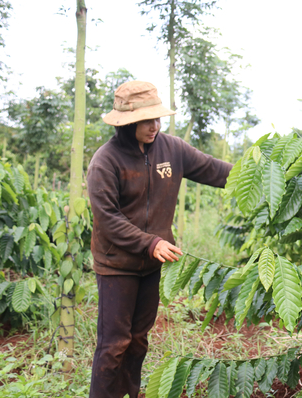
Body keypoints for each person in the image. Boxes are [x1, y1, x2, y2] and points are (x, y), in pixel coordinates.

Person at [86, 81, 232, 398]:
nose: (155, 126)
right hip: (117, 265)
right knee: (114, 344)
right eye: (146, 120)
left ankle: (130, 393)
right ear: (127, 123)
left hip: (152, 263)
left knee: (138, 339)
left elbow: (214, 170)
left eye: (157, 118)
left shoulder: (172, 149)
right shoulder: (105, 161)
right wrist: (151, 243)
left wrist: (258, 174)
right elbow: (108, 220)